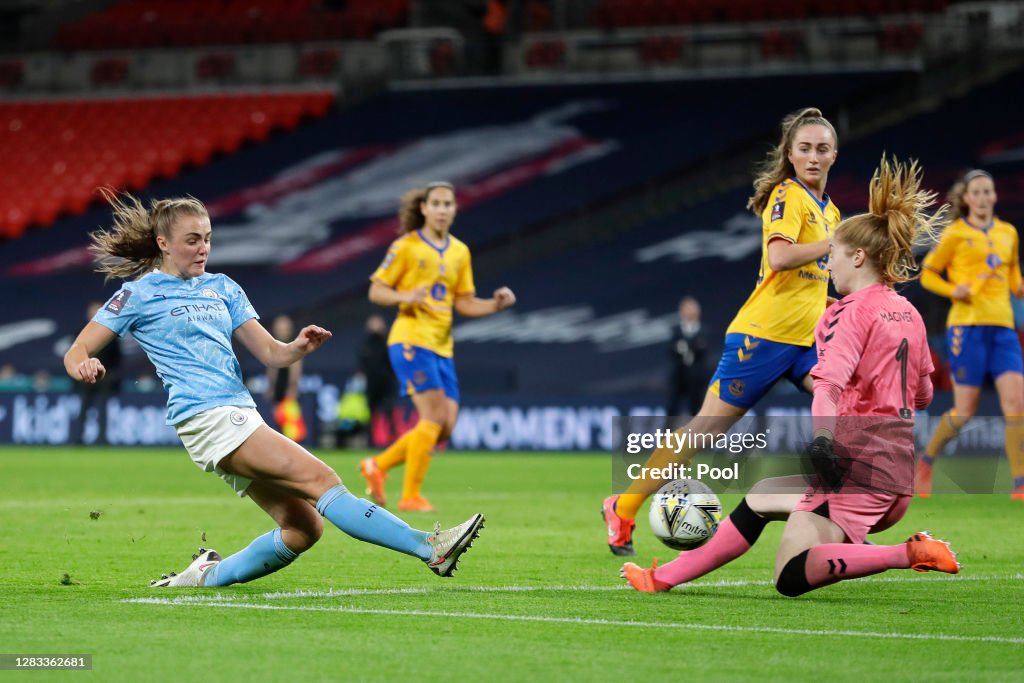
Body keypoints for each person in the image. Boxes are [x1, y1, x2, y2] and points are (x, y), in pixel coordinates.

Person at [63, 190, 484, 588]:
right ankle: (429, 547)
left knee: (303, 529)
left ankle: (202, 576)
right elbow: (79, 346)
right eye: (192, 240)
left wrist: (297, 347)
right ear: (163, 243)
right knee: (323, 478)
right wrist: (82, 363)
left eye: (208, 238)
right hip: (208, 416)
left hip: (236, 413)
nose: (203, 248)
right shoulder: (138, 294)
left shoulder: (223, 287)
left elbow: (271, 353)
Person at [622, 156, 960, 594]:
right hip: (896, 471)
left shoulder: (845, 312)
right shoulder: (909, 312)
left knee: (790, 575)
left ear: (858, 256)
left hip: (854, 469)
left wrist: (822, 441)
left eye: (833, 254)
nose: (828, 265)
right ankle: (661, 578)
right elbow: (924, 395)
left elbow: (828, 385)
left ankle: (907, 553)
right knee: (762, 495)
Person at [603, 107, 840, 555]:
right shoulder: (789, 197)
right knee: (704, 431)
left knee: (841, 404)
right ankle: (624, 504)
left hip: (805, 340)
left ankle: (838, 512)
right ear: (790, 155)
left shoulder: (831, 211)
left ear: (834, 156)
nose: (813, 156)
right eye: (804, 148)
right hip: (763, 337)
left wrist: (842, 302)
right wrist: (837, 242)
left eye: (821, 149)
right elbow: (780, 259)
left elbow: (811, 283)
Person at [360, 181, 516, 512]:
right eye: (437, 204)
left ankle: (378, 465)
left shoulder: (460, 252)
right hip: (411, 339)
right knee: (432, 417)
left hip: (443, 346)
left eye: (449, 204)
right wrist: (403, 295)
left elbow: (465, 303)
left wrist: (495, 305)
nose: (443, 209)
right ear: (425, 208)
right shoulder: (406, 246)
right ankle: (411, 496)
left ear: (455, 210)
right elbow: (376, 290)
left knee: (443, 428)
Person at [916, 169, 1024, 500]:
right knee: (964, 411)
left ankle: (1020, 484)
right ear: (966, 198)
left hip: (1004, 329)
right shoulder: (955, 234)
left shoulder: (1008, 232)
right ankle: (925, 461)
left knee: (1016, 405)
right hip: (967, 328)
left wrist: (1019, 287)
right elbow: (928, 274)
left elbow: (1014, 275)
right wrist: (954, 289)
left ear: (994, 196)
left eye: (987, 191)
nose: (982, 197)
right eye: (975, 192)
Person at [71, 301, 123, 445]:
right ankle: (77, 439)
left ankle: (102, 439)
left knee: (102, 410)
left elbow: (117, 357)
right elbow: (73, 355)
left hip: (104, 378)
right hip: (86, 378)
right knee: (83, 409)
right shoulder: (81, 334)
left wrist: (112, 374)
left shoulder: (110, 334)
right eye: (92, 312)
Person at [665, 296, 710, 417]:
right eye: (685, 309)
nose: (688, 312)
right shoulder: (676, 331)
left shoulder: (703, 330)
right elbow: (671, 349)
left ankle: (697, 435)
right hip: (679, 376)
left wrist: (685, 346)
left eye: (691, 309)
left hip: (697, 379)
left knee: (696, 409)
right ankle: (667, 435)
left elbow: (702, 349)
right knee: (672, 409)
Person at [266, 314, 307, 442]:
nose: (281, 329)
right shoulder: (273, 344)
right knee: (278, 418)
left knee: (290, 422)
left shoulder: (293, 344)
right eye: (279, 327)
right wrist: (271, 387)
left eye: (283, 327)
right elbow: (271, 367)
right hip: (278, 388)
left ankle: (293, 447)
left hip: (287, 388)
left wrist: (293, 387)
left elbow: (296, 367)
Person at [359, 314, 398, 444]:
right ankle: (370, 440)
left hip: (386, 383)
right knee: (370, 412)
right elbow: (362, 364)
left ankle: (392, 439)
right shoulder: (365, 344)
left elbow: (394, 362)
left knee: (389, 411)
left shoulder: (388, 342)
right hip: (371, 384)